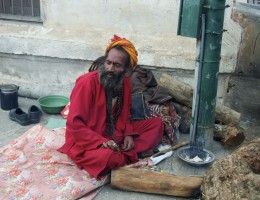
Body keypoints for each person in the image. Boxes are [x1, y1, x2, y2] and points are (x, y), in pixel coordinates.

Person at [58, 35, 164, 179]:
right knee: (109, 158)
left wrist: (128, 134)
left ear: (126, 69)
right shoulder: (86, 83)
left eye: (117, 65)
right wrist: (102, 142)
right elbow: (74, 124)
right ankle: (123, 156)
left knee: (157, 125)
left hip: (116, 134)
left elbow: (126, 114)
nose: (110, 68)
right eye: (108, 62)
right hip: (88, 140)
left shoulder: (125, 82)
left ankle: (121, 153)